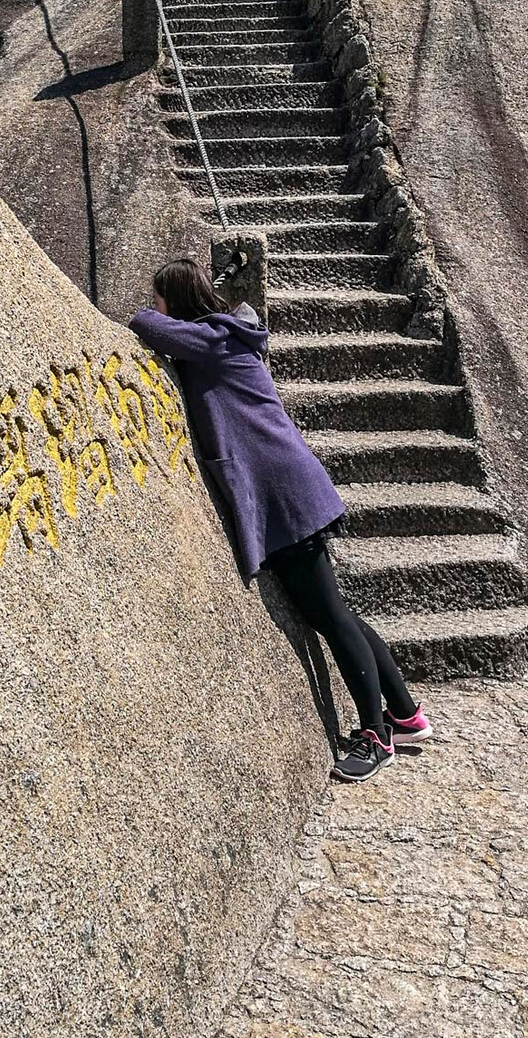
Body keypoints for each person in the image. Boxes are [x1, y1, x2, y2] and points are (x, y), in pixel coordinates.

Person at [130, 259, 432, 784]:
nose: (155, 306)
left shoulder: (212, 340)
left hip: (283, 493)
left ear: (175, 301)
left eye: (160, 296)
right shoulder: (225, 335)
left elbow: (146, 326)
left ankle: (375, 734)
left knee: (331, 617)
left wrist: (148, 313)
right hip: (290, 483)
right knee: (333, 610)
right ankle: (405, 714)